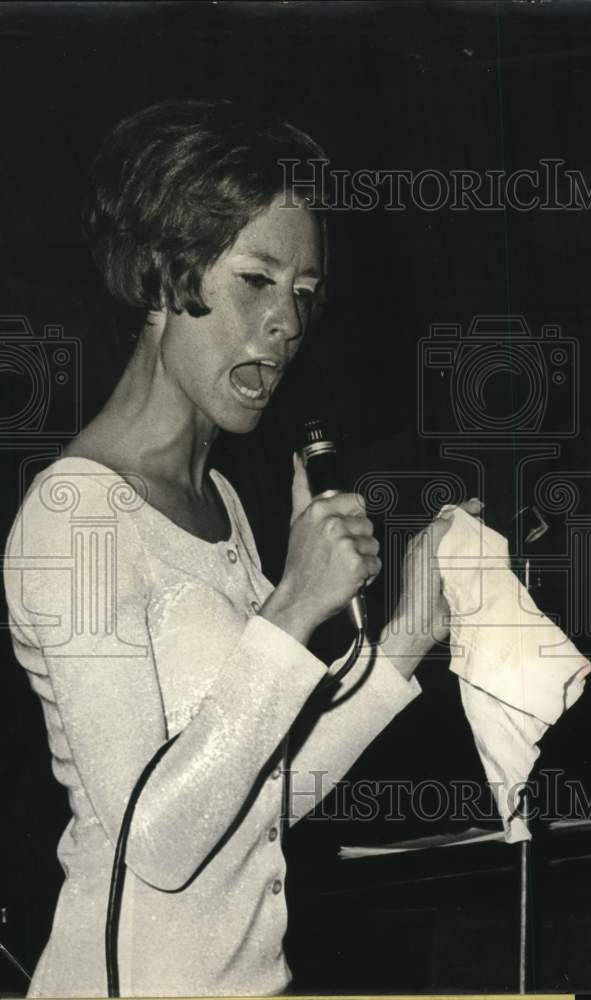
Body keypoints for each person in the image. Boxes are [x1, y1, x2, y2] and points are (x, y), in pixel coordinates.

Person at [3, 99, 478, 998]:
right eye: (255, 280)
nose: (286, 324)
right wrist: (294, 607)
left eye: (303, 293)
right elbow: (159, 844)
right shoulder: (78, 516)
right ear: (157, 278)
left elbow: (262, 797)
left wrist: (407, 637)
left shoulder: (217, 498)